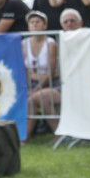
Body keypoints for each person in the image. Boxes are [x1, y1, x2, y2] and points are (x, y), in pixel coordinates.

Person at [24, 10, 60, 138]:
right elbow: (23, 69)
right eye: (31, 22)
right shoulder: (24, 43)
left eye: (38, 22)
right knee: (31, 99)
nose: (34, 25)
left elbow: (51, 71)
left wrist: (36, 87)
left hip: (52, 83)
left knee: (39, 98)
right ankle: (24, 138)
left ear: (45, 26)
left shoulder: (50, 43)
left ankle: (59, 134)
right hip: (31, 83)